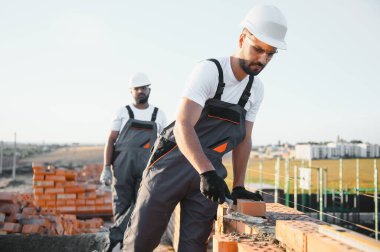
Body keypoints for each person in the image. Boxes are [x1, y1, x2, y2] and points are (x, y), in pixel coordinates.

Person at [123, 5, 288, 251]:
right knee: (140, 242)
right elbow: (183, 125)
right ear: (242, 38)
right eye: (258, 49)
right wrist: (206, 172)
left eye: (270, 53)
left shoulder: (256, 89)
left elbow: (244, 140)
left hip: (208, 176)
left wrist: (238, 186)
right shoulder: (210, 71)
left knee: (194, 247)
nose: (263, 59)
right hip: (171, 166)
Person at [100, 72, 167, 251]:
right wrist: (106, 167)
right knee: (121, 205)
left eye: (143, 88)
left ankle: (120, 241)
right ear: (131, 91)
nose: (140, 91)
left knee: (141, 205)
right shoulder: (122, 112)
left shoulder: (158, 114)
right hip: (122, 166)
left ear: (149, 90)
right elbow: (110, 140)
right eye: (137, 89)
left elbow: (164, 145)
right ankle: (122, 244)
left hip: (147, 167)